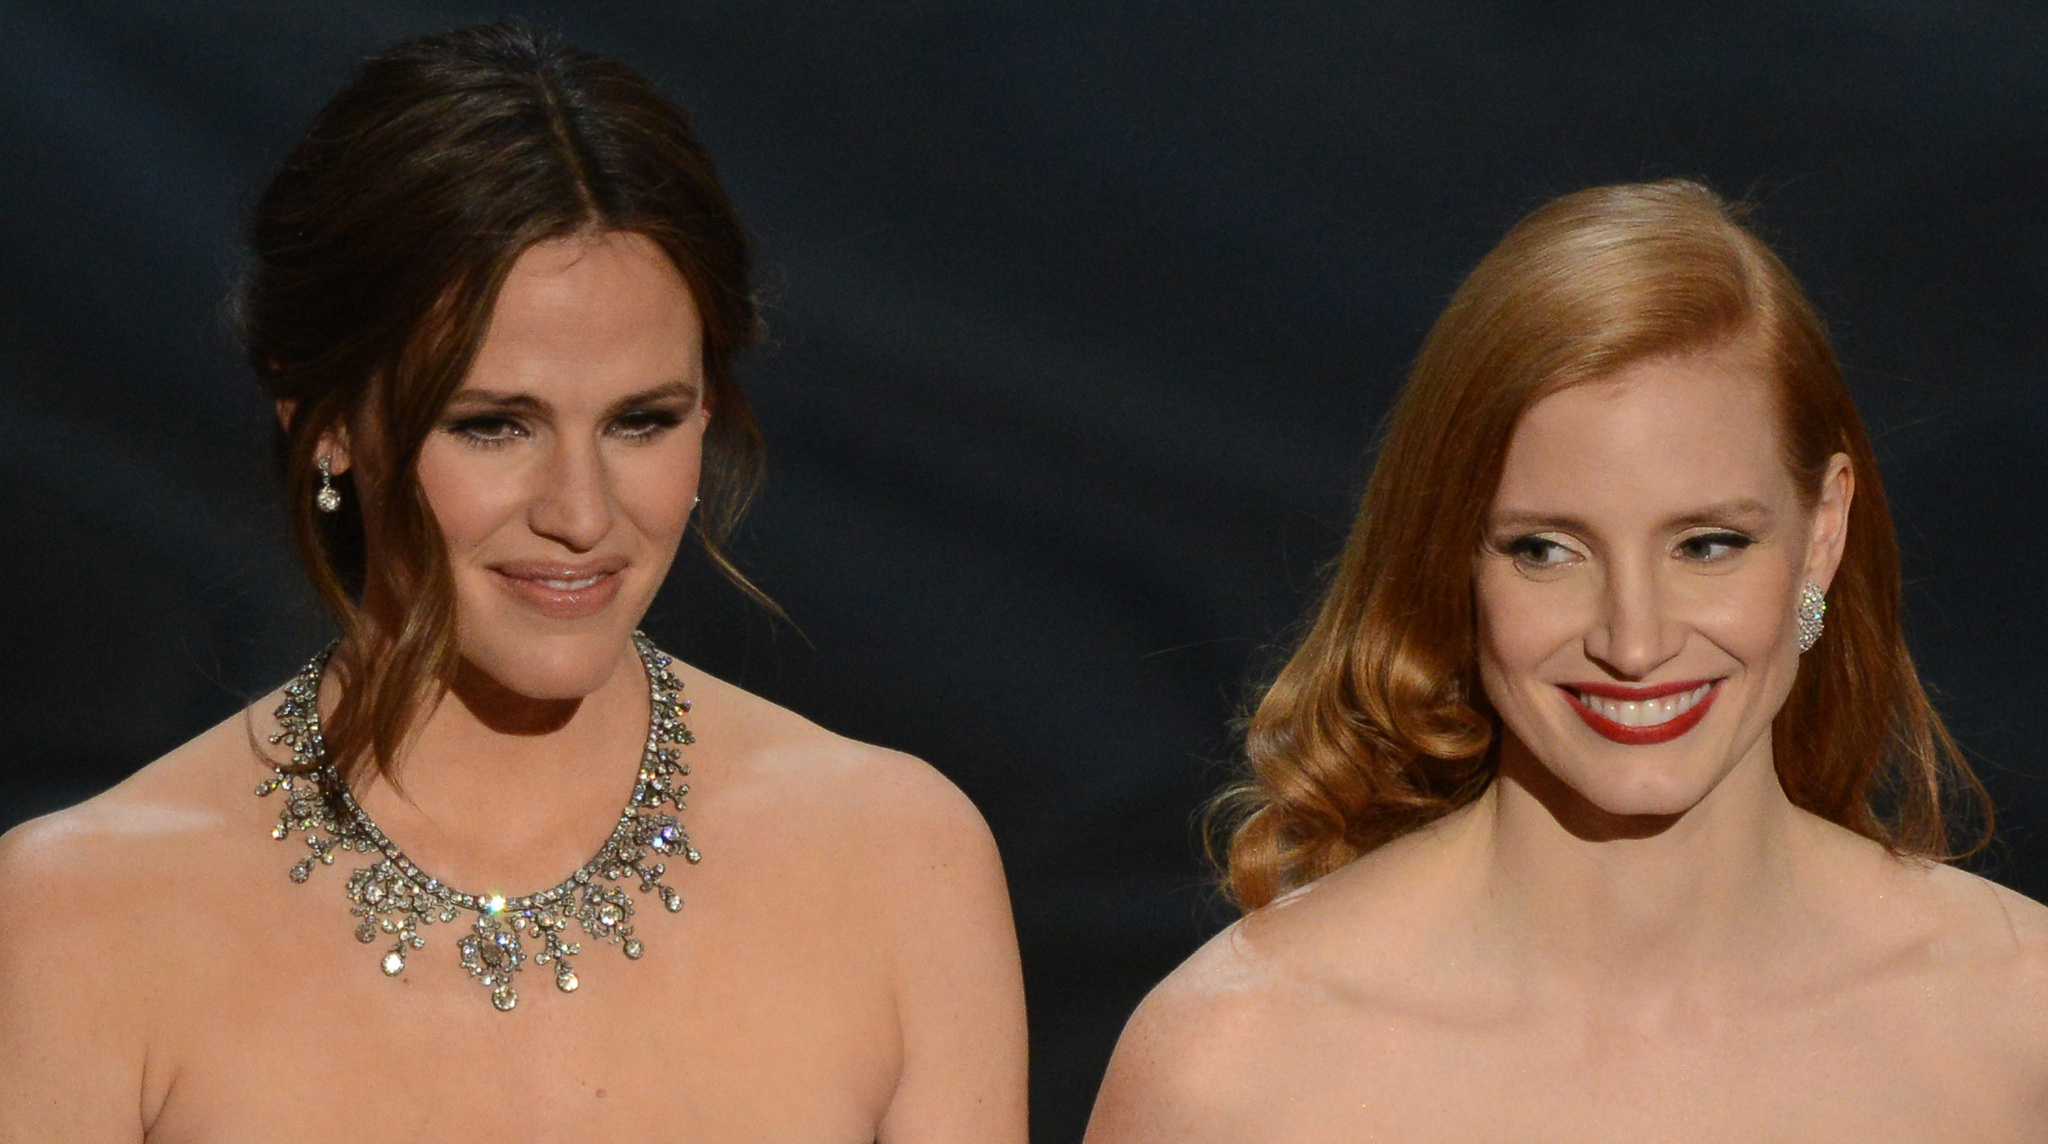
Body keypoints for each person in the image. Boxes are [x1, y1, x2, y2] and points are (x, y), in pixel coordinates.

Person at [0, 22, 1026, 1143]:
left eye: (642, 421)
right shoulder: (83, 919)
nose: (581, 514)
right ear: (327, 422)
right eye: (492, 425)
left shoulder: (898, 862)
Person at [1085, 180, 2048, 1142]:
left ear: (1824, 530)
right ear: (1451, 550)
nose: (1634, 644)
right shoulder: (1240, 1065)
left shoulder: (2018, 1022)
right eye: (1545, 550)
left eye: (1707, 544)